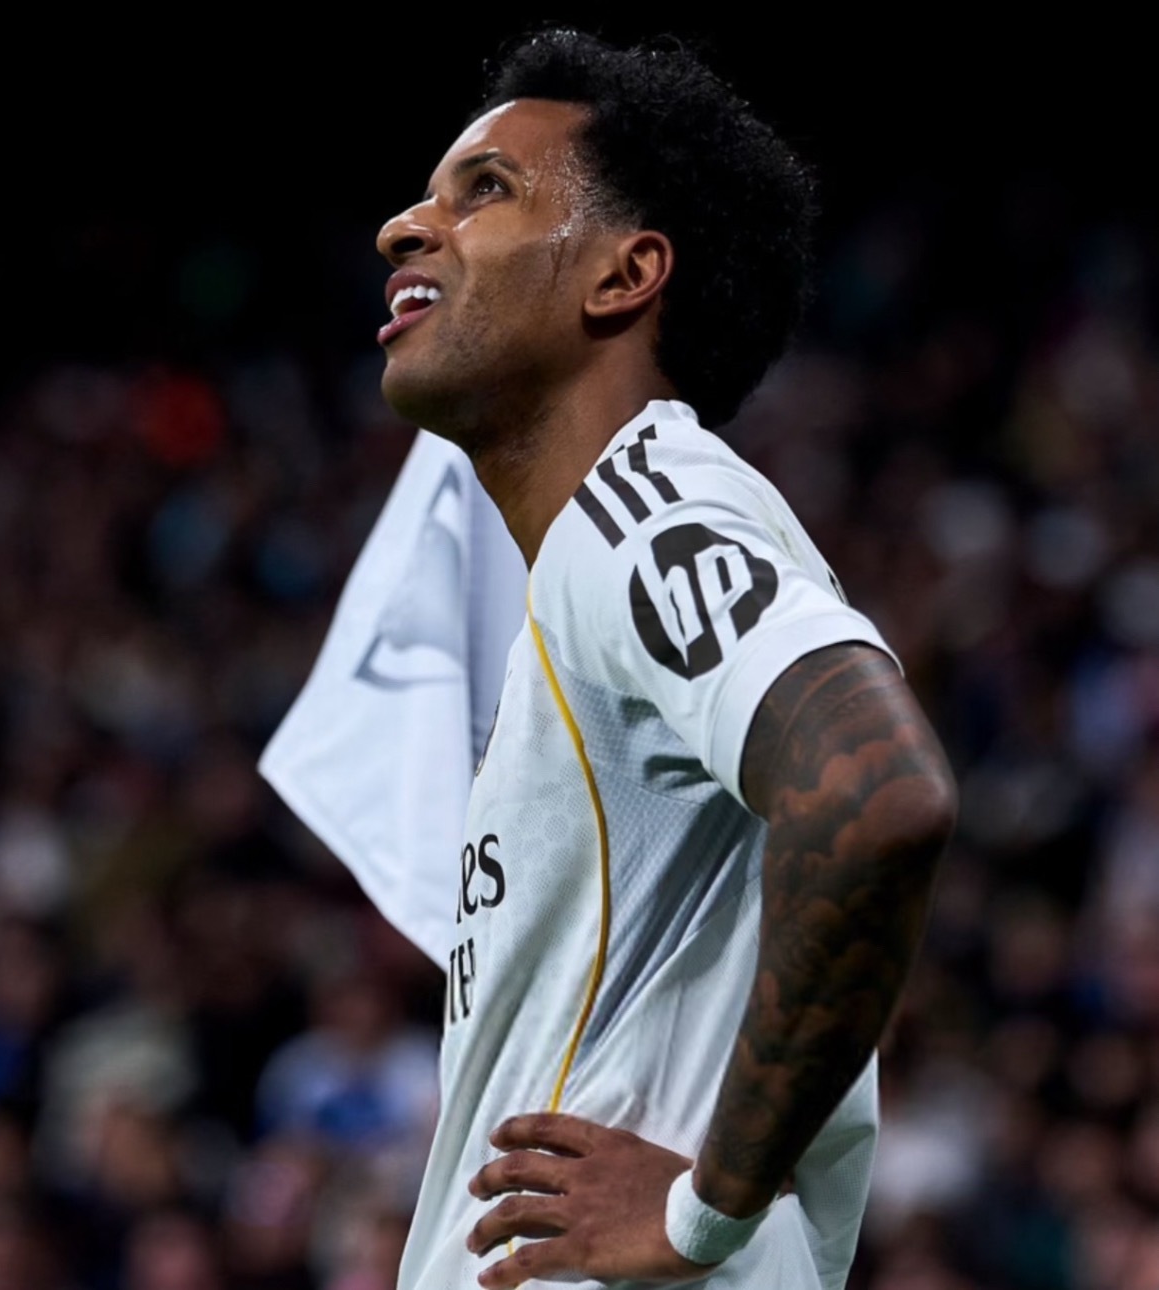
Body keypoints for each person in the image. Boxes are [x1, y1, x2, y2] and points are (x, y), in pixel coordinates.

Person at [372, 29, 957, 1290]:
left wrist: (705, 1210)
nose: (403, 229)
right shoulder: (589, 574)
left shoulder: (641, 507)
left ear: (623, 275)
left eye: (484, 190)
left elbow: (878, 791)